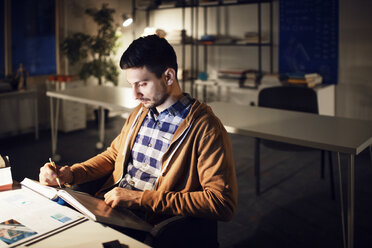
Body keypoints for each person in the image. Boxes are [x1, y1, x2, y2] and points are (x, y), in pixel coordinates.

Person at [39, 35, 238, 226]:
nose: (135, 94)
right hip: (111, 208)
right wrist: (72, 173)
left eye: (142, 84)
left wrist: (139, 198)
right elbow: (113, 156)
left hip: (151, 222)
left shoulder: (206, 129)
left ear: (168, 76)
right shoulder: (140, 113)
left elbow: (221, 203)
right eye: (131, 85)